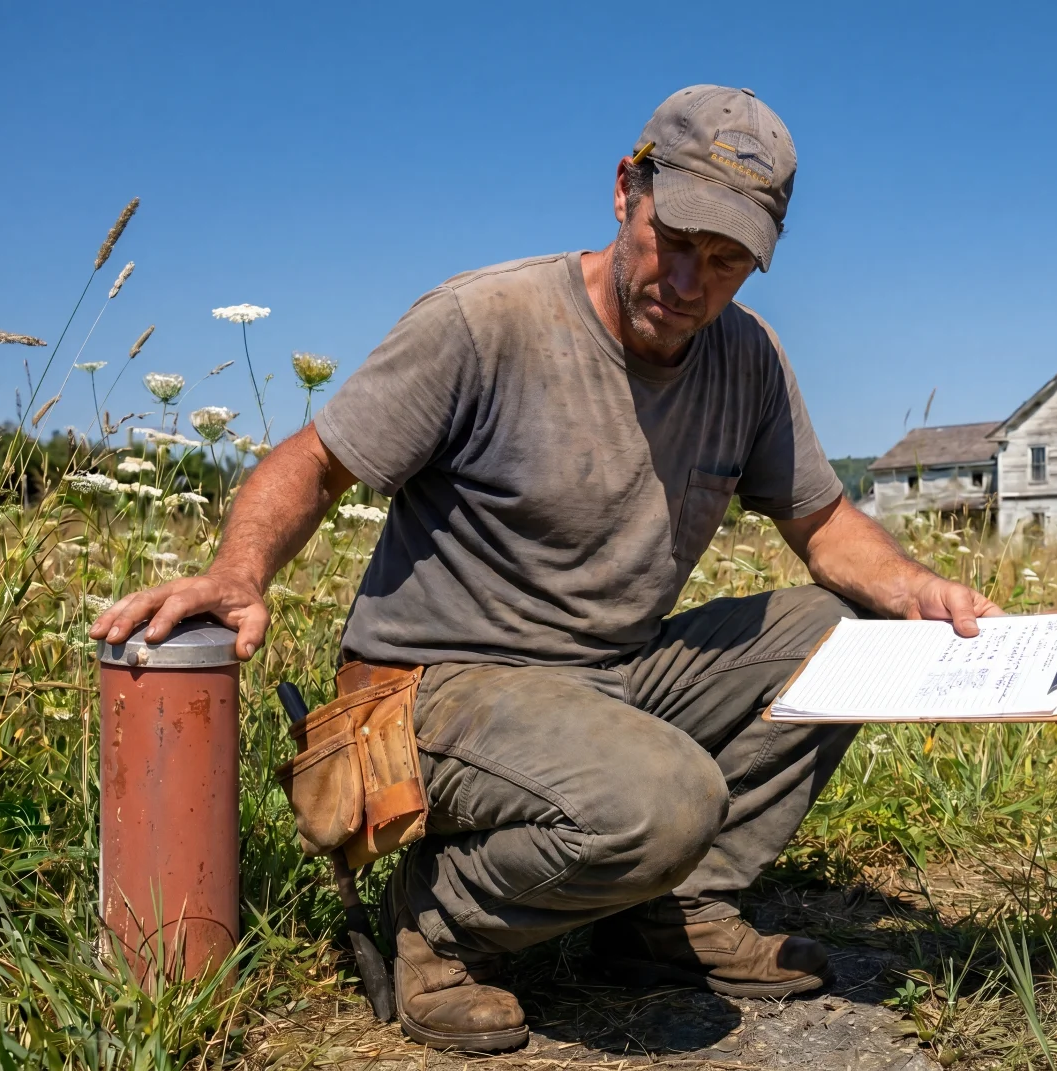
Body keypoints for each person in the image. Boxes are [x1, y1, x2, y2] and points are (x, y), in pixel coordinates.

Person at [90, 84, 999, 1053]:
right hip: (433, 687)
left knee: (845, 632)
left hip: (610, 674)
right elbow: (313, 464)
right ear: (626, 191)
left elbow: (823, 523)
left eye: (727, 261)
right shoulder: (487, 323)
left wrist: (915, 592)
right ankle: (432, 922)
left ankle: (671, 915)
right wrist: (240, 571)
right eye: (677, 237)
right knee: (668, 799)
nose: (690, 280)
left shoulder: (747, 361)